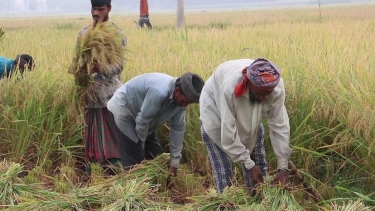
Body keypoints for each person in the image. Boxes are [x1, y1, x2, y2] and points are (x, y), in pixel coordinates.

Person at [199, 58, 292, 194]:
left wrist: (283, 168)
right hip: (217, 119)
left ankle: (259, 203)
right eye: (260, 93)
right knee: (226, 179)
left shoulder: (275, 88)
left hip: (250, 119)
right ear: (249, 82)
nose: (262, 99)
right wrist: (248, 165)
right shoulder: (230, 88)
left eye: (267, 94)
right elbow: (228, 133)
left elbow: (280, 126)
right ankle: (227, 206)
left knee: (259, 170)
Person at [107, 72, 205, 176]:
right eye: (184, 101)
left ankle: (159, 182)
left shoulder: (180, 104)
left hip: (145, 118)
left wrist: (174, 164)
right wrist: (141, 146)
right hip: (124, 110)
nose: (185, 105)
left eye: (188, 103)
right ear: (177, 91)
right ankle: (134, 183)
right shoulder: (160, 91)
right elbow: (143, 121)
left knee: (158, 157)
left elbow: (178, 130)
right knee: (135, 161)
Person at [71, 0, 127, 174]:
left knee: (112, 133)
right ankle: (94, 168)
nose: (96, 13)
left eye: (100, 9)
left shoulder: (116, 34)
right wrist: (78, 69)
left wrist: (99, 68)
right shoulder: (84, 33)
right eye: (93, 9)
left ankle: (114, 168)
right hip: (89, 94)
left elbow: (118, 66)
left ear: (109, 9)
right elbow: (77, 60)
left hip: (109, 95)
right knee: (92, 133)